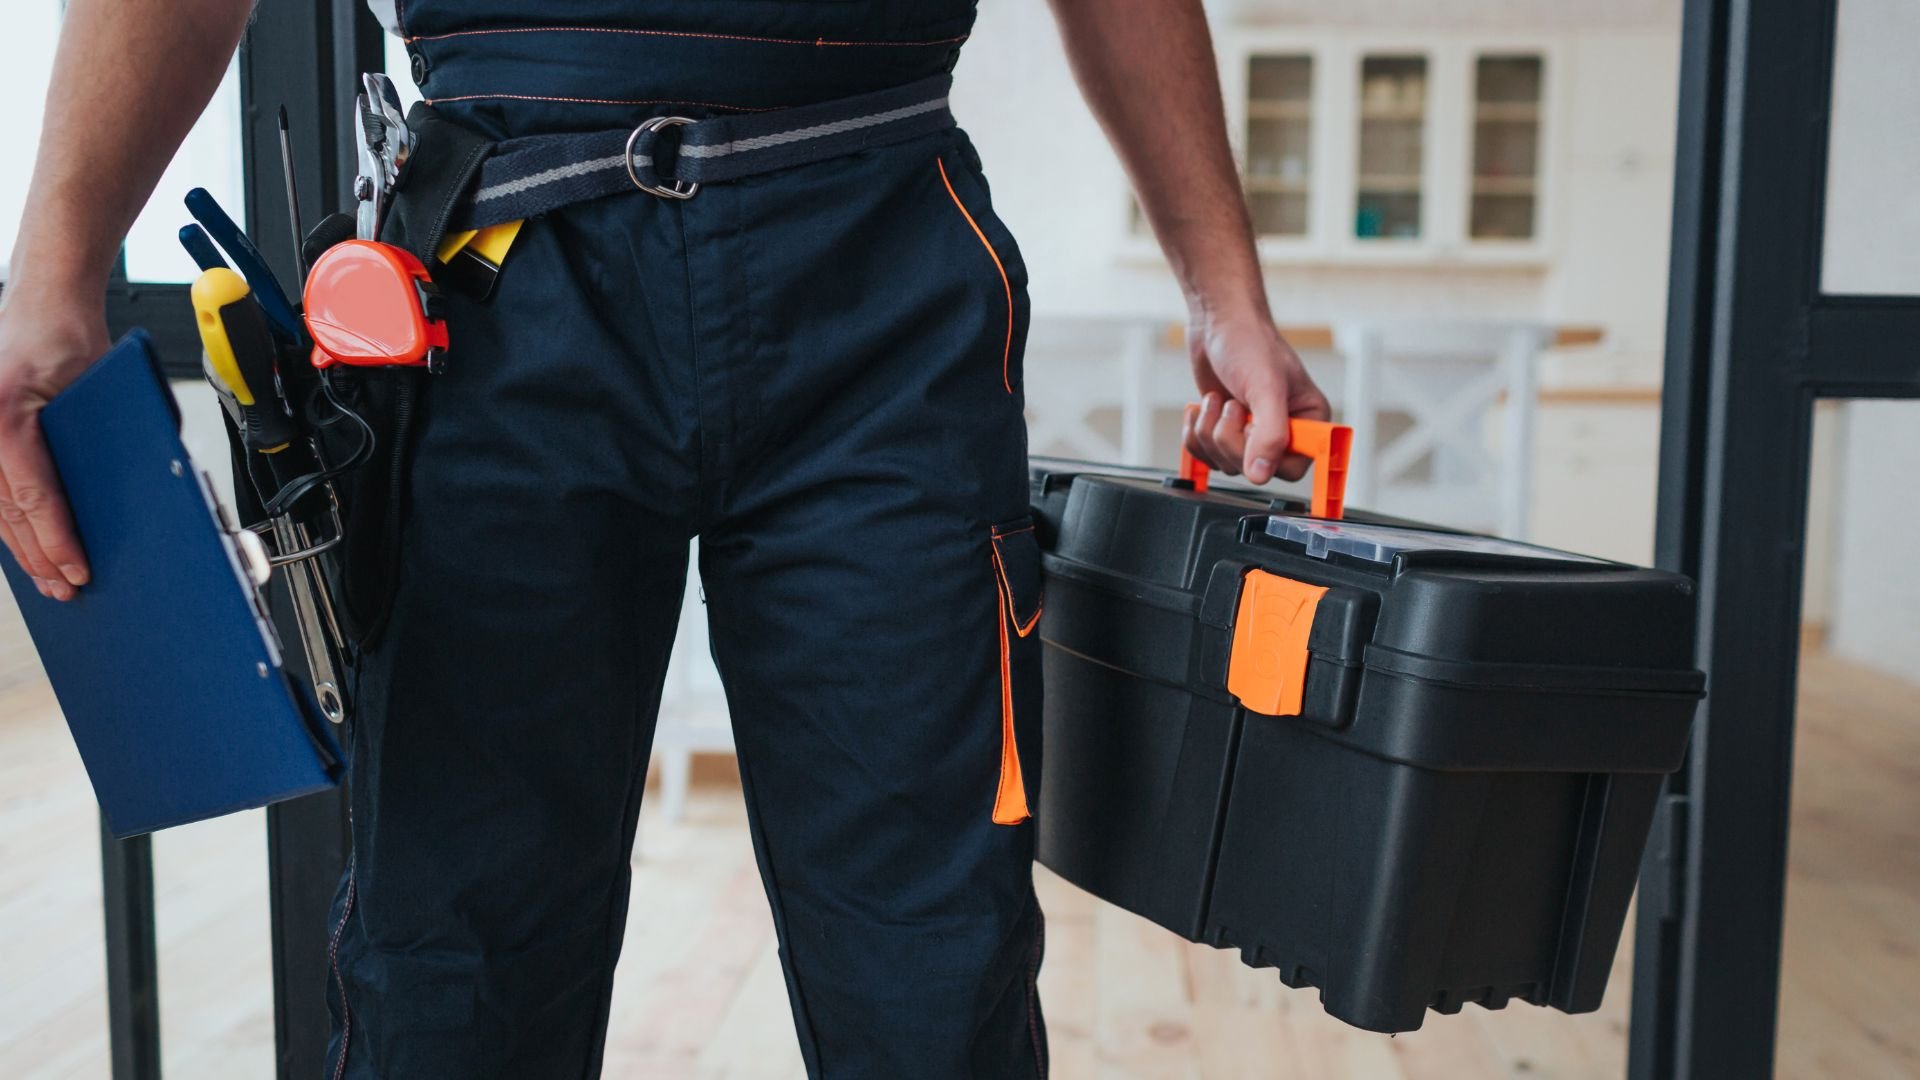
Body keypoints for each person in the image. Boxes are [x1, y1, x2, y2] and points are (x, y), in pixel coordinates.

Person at [0, 0, 1329, 1075]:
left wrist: (1225, 292)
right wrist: (54, 275)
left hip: (881, 266)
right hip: (497, 270)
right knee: (457, 964)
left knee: (936, 963)